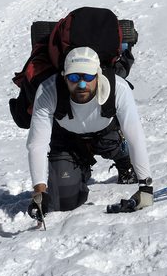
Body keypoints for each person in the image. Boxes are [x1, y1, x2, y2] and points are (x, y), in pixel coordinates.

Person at [26, 46, 153, 218]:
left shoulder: (119, 88)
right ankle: (78, 170)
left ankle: (124, 160)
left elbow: (135, 135)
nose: (81, 84)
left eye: (88, 77)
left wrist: (145, 186)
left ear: (98, 75)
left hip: (107, 135)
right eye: (73, 77)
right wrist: (39, 192)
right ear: (64, 76)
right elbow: (37, 144)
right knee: (63, 201)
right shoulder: (48, 91)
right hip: (67, 141)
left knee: (119, 144)